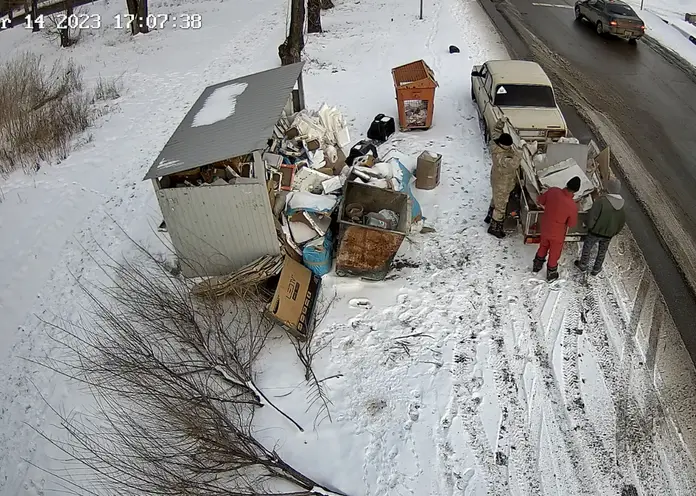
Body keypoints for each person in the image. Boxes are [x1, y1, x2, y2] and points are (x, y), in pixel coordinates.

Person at [532, 176, 581, 281]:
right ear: (576, 190)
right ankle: (551, 273)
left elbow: (540, 200)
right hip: (557, 233)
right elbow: (571, 224)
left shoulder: (553, 190)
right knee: (554, 253)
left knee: (543, 245)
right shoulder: (572, 206)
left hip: (545, 227)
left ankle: (537, 265)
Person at [575, 177, 626, 275]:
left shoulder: (601, 202)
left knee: (587, 247)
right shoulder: (621, 207)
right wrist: (613, 232)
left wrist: (590, 227)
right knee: (602, 252)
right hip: (608, 234)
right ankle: (596, 269)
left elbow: (592, 216)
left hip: (595, 231)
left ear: (608, 188)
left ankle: (583, 264)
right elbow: (621, 222)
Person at [485, 118, 522, 239]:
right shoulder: (501, 157)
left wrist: (501, 122)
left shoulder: (494, 143)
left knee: (496, 199)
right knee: (501, 206)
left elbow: (496, 130)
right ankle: (495, 227)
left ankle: (489, 216)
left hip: (496, 178)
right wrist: (520, 151)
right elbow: (514, 164)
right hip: (503, 183)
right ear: (505, 145)